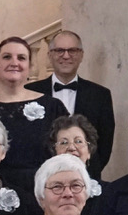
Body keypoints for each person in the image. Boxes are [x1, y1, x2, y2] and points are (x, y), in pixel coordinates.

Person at [0, 37, 67, 195]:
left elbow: (65, 155)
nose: (14, 62)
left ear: (30, 66)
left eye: (21, 58)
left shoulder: (53, 107)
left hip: (39, 193)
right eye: (6, 57)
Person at [25, 30, 115, 177]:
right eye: (59, 50)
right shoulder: (30, 92)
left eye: (72, 50)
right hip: (40, 177)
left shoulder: (100, 95)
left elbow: (105, 144)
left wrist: (88, 171)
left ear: (81, 55)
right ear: (50, 55)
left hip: (86, 177)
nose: (66, 56)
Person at [47, 113, 106, 215]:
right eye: (64, 142)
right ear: (54, 152)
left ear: (89, 151)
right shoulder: (46, 193)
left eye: (78, 141)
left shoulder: (109, 194)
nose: (72, 147)